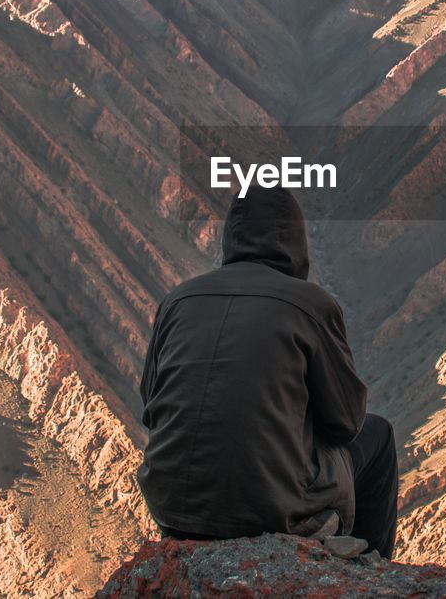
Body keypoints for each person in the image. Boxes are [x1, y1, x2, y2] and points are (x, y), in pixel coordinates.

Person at [137, 186, 398, 559]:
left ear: (230, 238)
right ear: (296, 239)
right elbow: (346, 423)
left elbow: (151, 406)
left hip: (173, 510)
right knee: (380, 435)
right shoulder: (312, 306)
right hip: (272, 513)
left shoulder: (177, 300)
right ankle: (374, 574)